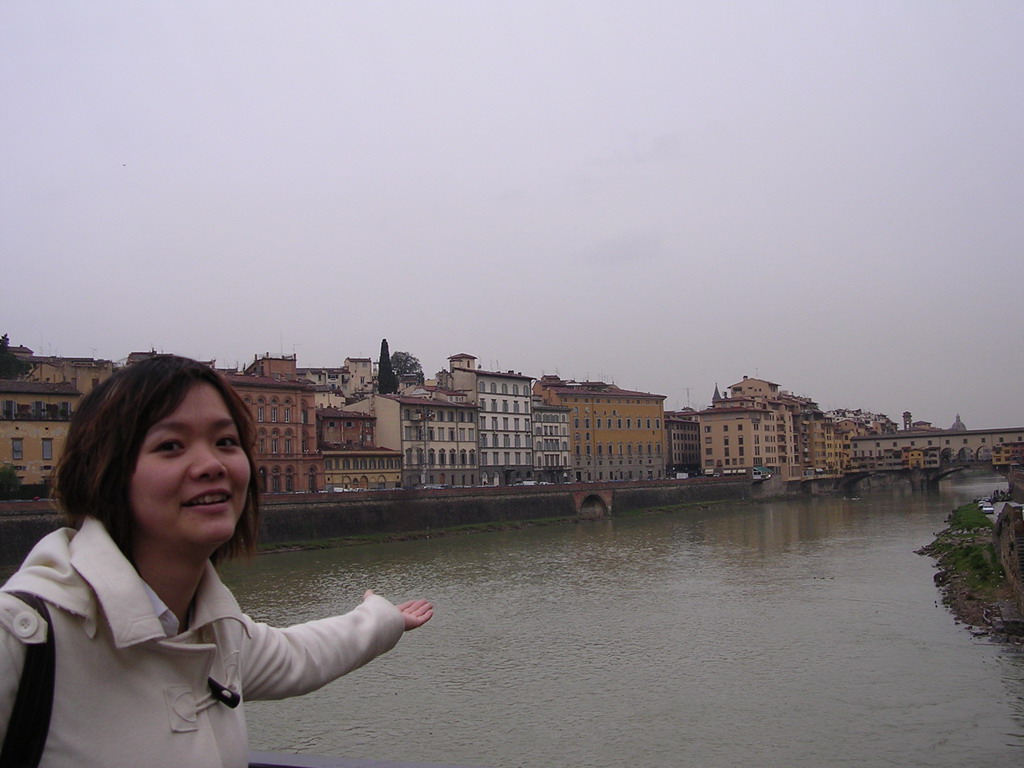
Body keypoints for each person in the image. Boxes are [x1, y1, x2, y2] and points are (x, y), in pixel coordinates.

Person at [0, 355, 432, 767]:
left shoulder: (213, 633)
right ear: (104, 470)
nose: (211, 464)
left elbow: (301, 655)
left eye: (226, 441)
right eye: (171, 445)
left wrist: (381, 618)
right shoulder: (20, 637)